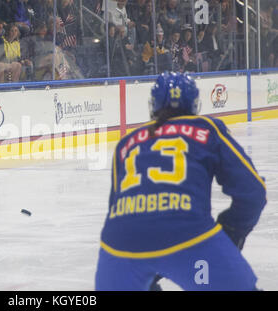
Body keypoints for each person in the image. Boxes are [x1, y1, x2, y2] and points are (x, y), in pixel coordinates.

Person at [95, 72, 267, 291]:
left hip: (119, 246)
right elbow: (253, 193)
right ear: (194, 104)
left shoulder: (126, 143)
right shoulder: (207, 129)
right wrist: (232, 229)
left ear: (153, 105)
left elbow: (116, 209)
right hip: (188, 234)